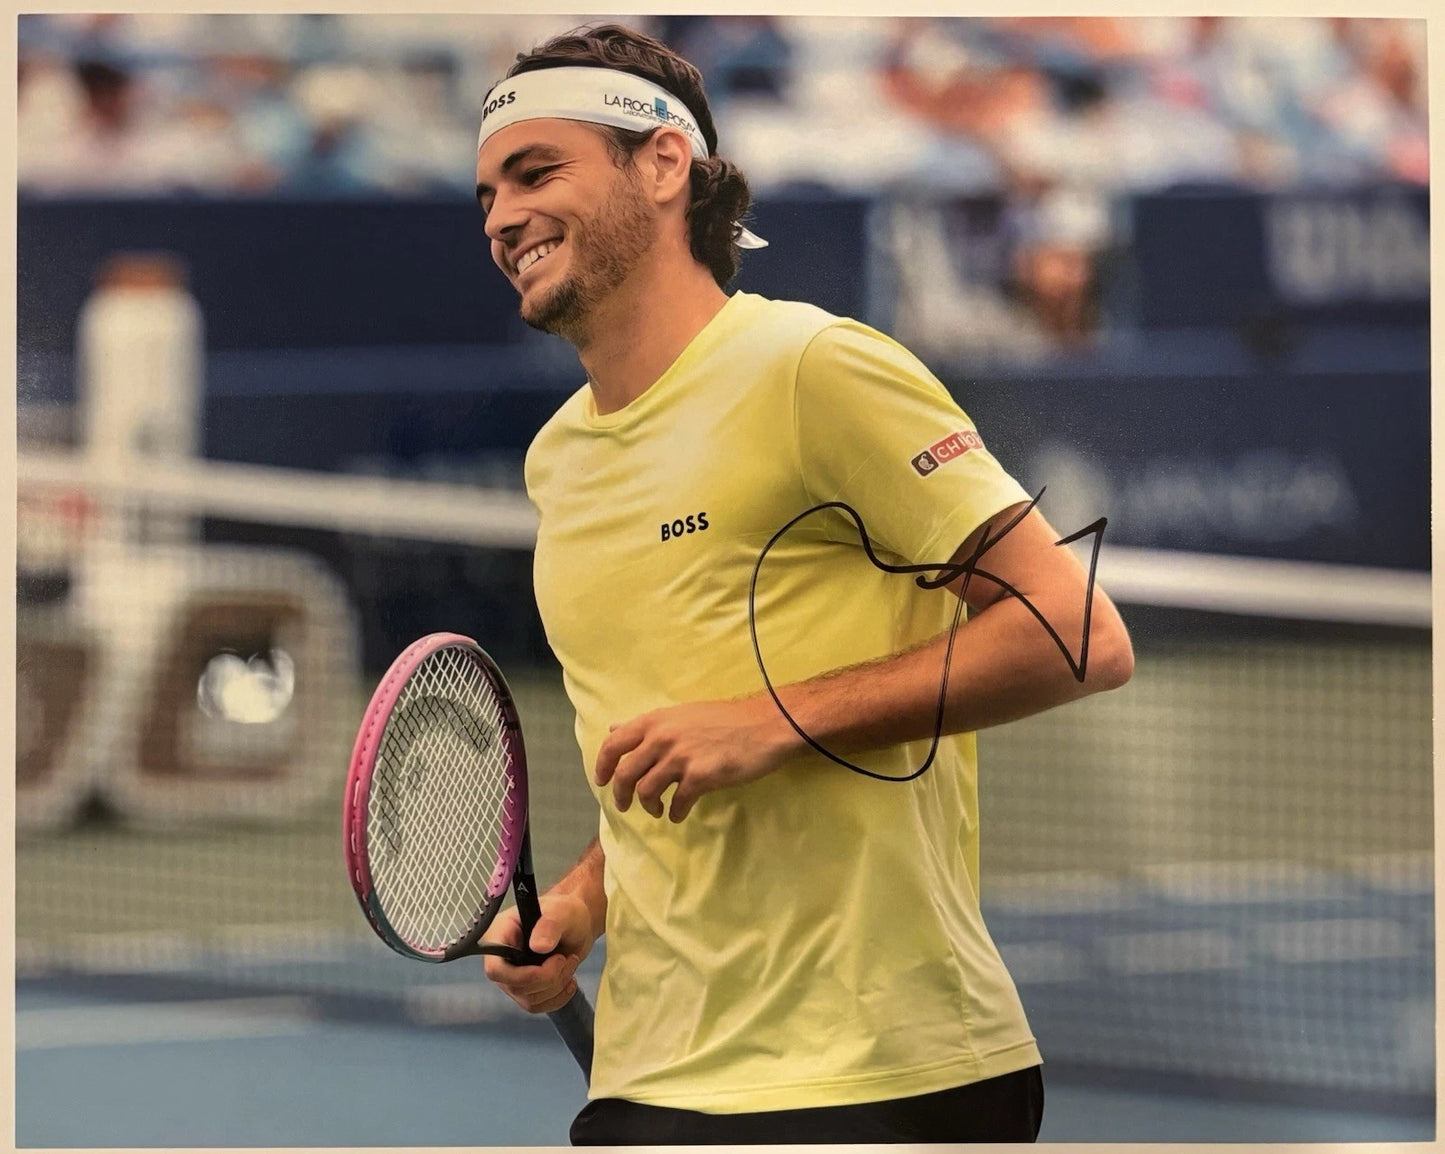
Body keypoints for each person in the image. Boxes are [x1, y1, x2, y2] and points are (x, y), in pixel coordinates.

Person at [474, 23, 1134, 1146]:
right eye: (486, 193)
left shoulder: (812, 367)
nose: (499, 218)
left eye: (537, 173)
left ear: (662, 165)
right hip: (652, 1077)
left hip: (881, 1074)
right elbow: (666, 739)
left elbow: (1074, 628)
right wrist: (589, 892)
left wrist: (772, 720)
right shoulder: (558, 460)